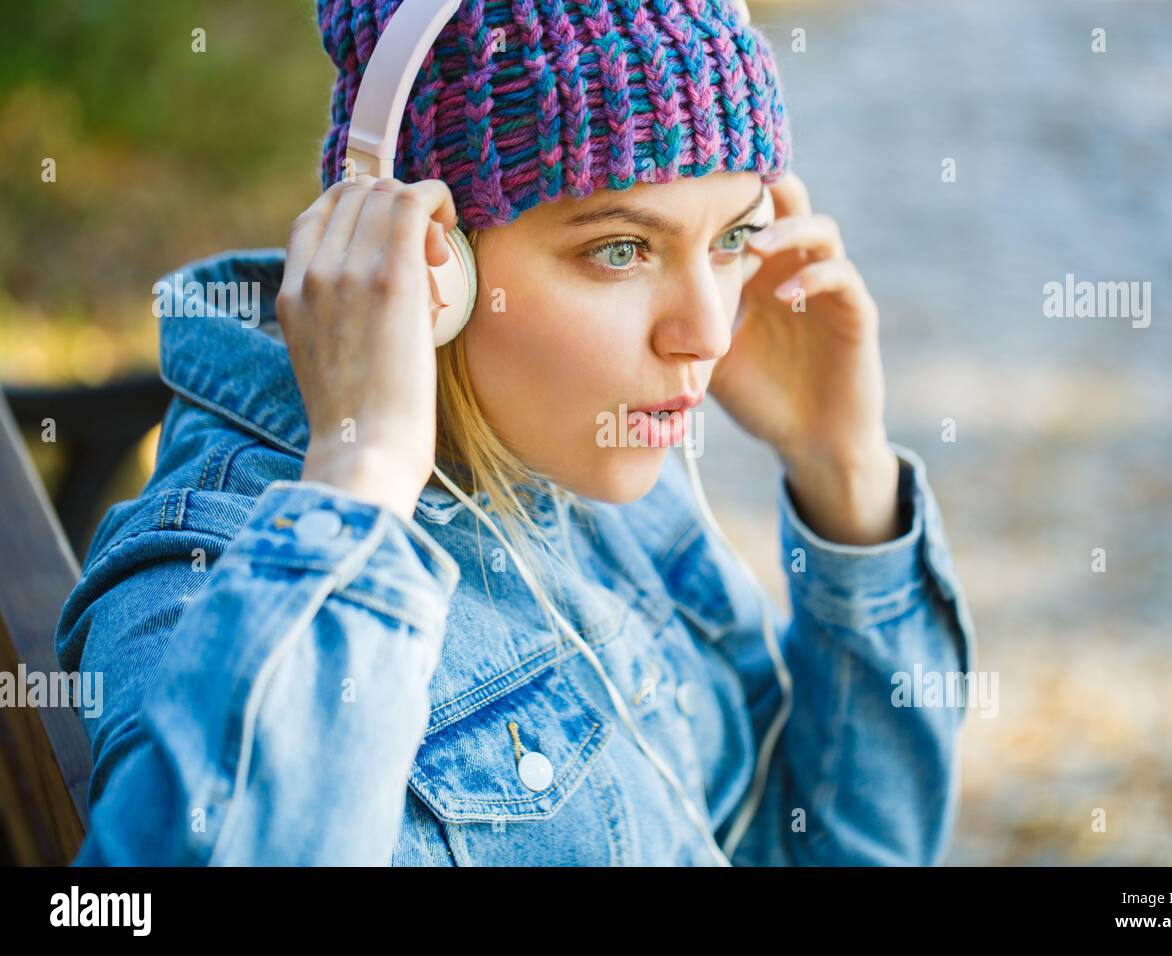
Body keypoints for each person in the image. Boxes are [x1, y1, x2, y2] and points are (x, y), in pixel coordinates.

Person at [55, 0, 977, 865]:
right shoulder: (198, 576)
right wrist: (361, 471)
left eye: (733, 239)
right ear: (430, 263)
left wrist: (841, 471)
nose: (709, 331)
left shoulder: (584, 463)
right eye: (622, 250)